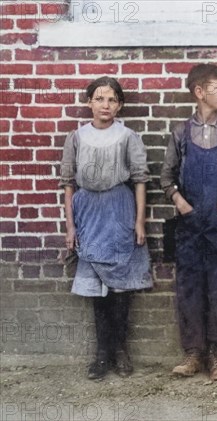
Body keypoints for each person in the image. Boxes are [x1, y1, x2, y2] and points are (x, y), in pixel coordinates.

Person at [160, 64, 217, 380]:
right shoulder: (180, 133)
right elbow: (166, 176)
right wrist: (181, 203)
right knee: (189, 290)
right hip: (189, 228)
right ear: (199, 92)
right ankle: (193, 354)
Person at [59, 76, 152, 380]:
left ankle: (121, 351)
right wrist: (71, 226)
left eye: (112, 100)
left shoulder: (127, 136)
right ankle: (101, 354)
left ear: (119, 105)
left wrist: (138, 221)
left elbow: (139, 179)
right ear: (89, 103)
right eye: (99, 99)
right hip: (88, 212)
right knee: (97, 286)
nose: (105, 105)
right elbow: (69, 184)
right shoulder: (77, 137)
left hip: (119, 209)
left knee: (120, 284)